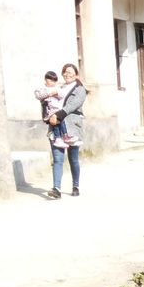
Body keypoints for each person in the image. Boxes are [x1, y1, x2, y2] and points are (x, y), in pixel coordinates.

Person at [45, 63, 85, 198]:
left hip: (71, 127)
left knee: (73, 159)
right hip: (55, 126)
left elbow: (73, 105)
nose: (67, 74)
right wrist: (48, 115)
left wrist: (59, 115)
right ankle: (56, 189)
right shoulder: (58, 88)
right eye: (65, 72)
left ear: (76, 75)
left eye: (70, 72)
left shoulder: (80, 89)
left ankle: (76, 185)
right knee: (57, 159)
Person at [34, 71, 75, 146]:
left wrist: (56, 94)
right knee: (55, 122)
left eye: (54, 81)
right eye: (50, 80)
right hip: (48, 111)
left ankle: (65, 135)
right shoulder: (42, 88)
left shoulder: (56, 88)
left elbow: (62, 95)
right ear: (45, 79)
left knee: (62, 121)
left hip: (57, 109)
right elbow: (38, 95)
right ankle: (58, 138)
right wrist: (49, 94)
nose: (52, 83)